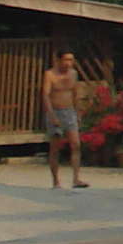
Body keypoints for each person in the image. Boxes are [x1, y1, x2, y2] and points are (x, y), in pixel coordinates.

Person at [41, 51, 88, 189]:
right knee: (55, 147)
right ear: (59, 60)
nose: (68, 63)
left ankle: (76, 178)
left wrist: (78, 112)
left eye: (71, 60)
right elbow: (46, 95)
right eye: (65, 60)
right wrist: (52, 116)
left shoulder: (73, 74)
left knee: (75, 144)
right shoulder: (50, 74)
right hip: (55, 111)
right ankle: (56, 180)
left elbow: (75, 94)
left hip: (69, 111)